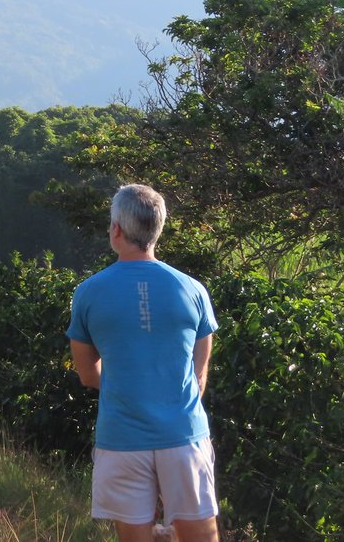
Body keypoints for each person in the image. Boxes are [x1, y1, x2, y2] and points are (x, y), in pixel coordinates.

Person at [66, 184, 219, 542]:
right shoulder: (193, 289)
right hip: (184, 435)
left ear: (117, 230)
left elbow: (87, 375)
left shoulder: (89, 292)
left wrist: (127, 384)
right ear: (157, 230)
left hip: (122, 437)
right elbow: (199, 375)